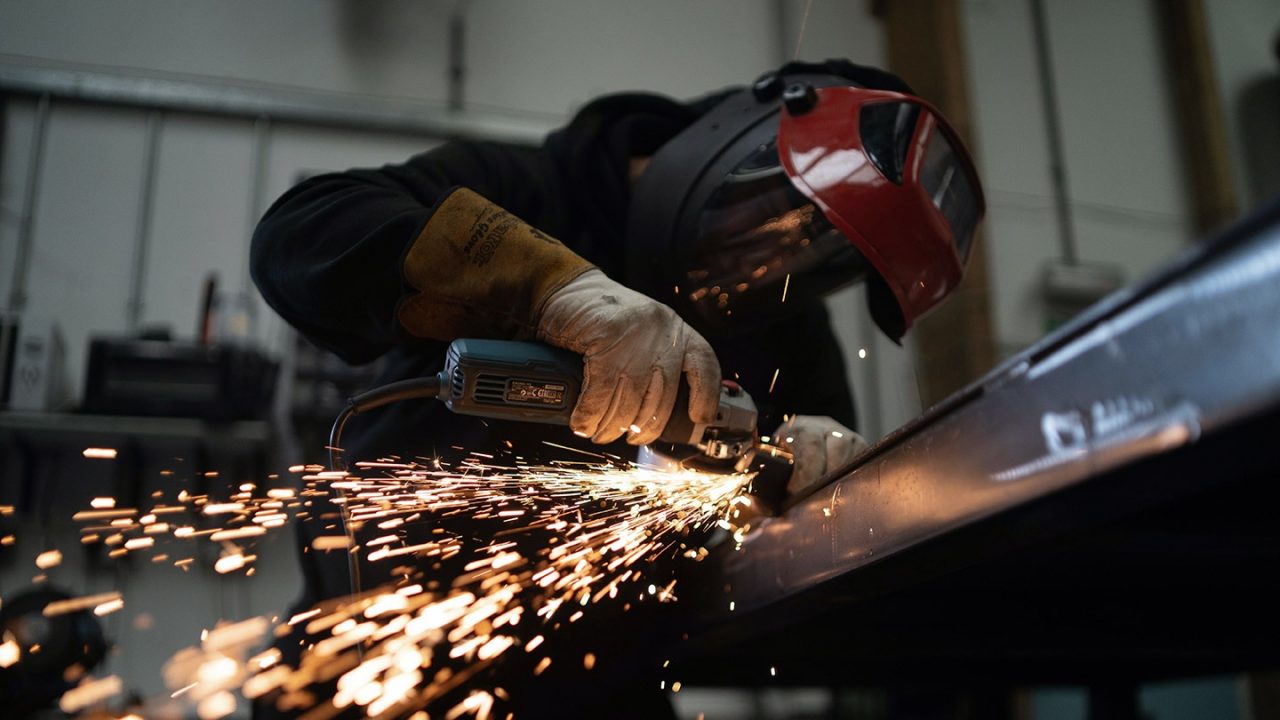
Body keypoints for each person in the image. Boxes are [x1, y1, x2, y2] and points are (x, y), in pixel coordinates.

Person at [250, 58, 984, 717]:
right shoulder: (531, 190)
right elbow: (301, 234)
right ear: (741, 139)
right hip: (374, 668)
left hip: (598, 689)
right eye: (786, 221)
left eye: (823, 255)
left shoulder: (781, 316)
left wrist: (811, 486)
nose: (780, 260)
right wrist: (552, 289)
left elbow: (788, 551)